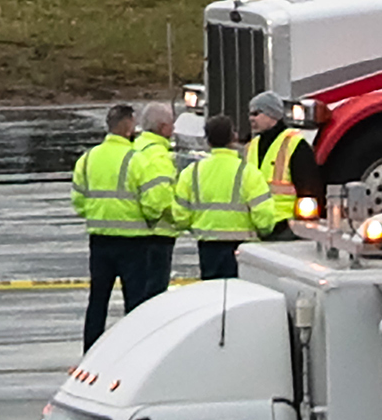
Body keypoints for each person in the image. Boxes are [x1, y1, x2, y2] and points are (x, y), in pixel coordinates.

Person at [73, 101, 180, 347]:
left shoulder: (88, 158)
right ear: (130, 126)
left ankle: (90, 353)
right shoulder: (136, 159)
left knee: (97, 301)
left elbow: (78, 200)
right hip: (134, 240)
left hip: (99, 239)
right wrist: (150, 219)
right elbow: (155, 200)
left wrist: (97, 214)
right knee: (135, 305)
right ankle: (133, 352)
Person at [177, 108, 271, 280]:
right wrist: (264, 231)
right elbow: (264, 217)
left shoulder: (192, 172)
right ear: (233, 137)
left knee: (212, 296)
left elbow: (180, 215)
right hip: (242, 246)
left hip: (207, 245)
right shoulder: (248, 173)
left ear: (208, 141)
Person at [244, 91, 310, 234]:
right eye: (250, 114)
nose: (251, 119)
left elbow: (309, 190)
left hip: (286, 226)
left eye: (256, 113)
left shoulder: (295, 144)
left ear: (272, 115)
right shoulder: (252, 146)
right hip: (256, 226)